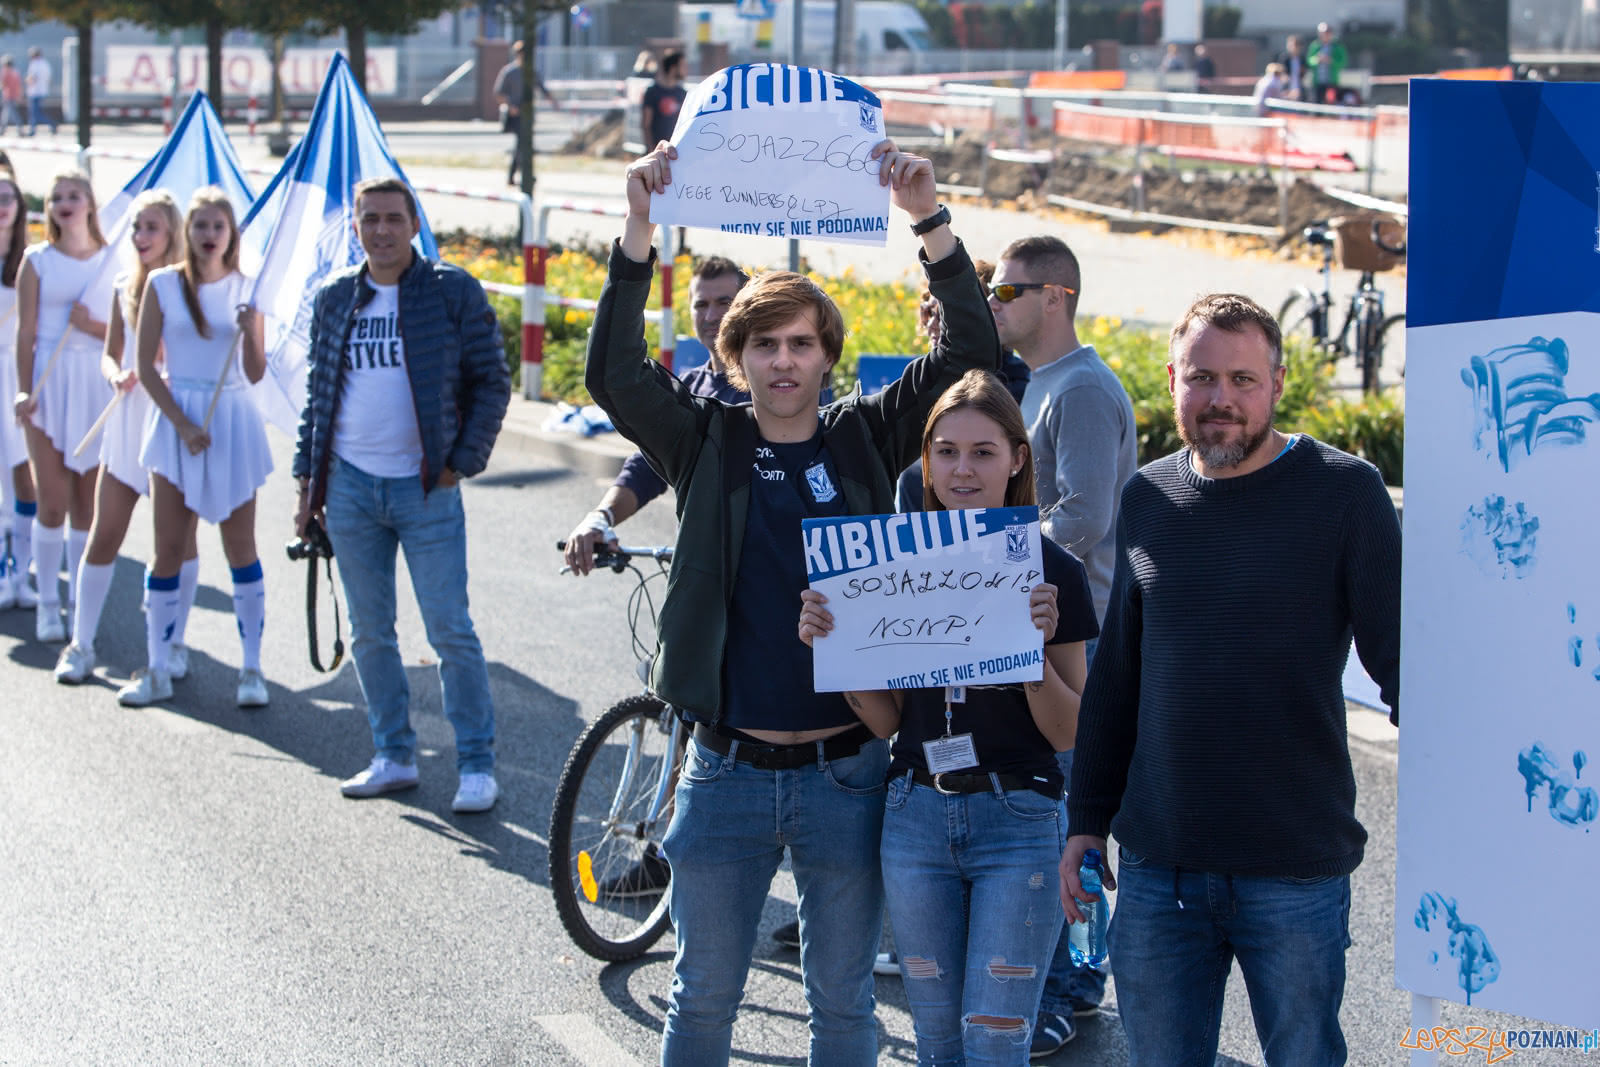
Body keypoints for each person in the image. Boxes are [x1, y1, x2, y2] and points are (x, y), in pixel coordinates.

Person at [589, 140, 1000, 1066]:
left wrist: (927, 217)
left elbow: (975, 355)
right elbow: (613, 377)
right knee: (700, 1005)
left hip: (847, 776)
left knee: (845, 1010)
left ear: (827, 356)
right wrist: (638, 227)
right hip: (725, 772)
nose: (784, 361)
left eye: (802, 343)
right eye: (764, 344)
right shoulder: (701, 438)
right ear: (733, 355)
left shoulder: (866, 435)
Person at [1061, 293, 1401, 1066]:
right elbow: (1118, 675)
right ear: (1173, 381)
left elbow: (1402, 662)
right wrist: (1086, 816)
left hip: (1295, 869)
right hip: (1158, 871)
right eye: (1202, 377)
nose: (1222, 400)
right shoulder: (1147, 494)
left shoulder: (1347, 493)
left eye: (1243, 380)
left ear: (1279, 383)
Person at [799, 369, 1097, 1064]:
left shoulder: (1056, 571)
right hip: (915, 819)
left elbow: (1068, 730)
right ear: (924, 460)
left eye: (984, 451)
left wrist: (1029, 659)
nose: (963, 468)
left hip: (1019, 822)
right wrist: (834, 647)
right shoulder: (887, 564)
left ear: (1018, 458)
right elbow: (883, 722)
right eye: (946, 451)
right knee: (935, 1044)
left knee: (994, 1044)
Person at [294, 177, 510, 813]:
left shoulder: (450, 291)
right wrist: (309, 486)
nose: (382, 229)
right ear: (355, 227)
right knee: (369, 633)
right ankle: (392, 753)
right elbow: (317, 398)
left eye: (393, 217)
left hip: (426, 488)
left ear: (414, 224)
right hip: (352, 486)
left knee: (450, 630)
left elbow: (492, 382)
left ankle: (476, 763)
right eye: (370, 219)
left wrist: (458, 465)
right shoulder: (336, 298)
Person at [987, 234, 1136, 1056]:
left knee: (1061, 820)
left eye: (1008, 291)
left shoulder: (1077, 389)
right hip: (1052, 627)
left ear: (1056, 295)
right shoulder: (1044, 384)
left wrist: (981, 567)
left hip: (1080, 638)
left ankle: (1058, 992)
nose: (997, 304)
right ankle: (1078, 982)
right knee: (1073, 816)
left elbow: (1083, 517)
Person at [115, 188, 270, 709]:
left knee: (240, 547)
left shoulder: (249, 289)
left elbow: (254, 372)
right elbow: (145, 367)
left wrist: (250, 331)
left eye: (217, 227)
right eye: (200, 225)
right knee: (168, 550)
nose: (208, 235)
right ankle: (158, 669)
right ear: (189, 231)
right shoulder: (162, 284)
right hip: (178, 423)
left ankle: (252, 670)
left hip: (232, 420)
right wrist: (181, 424)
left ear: (231, 234)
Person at [56, 190, 201, 685]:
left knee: (180, 541)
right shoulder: (122, 286)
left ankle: (173, 642)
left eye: (152, 228)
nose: (140, 237)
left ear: (172, 234)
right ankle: (81, 644)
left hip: (171, 420)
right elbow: (110, 353)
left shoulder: (190, 291)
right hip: (126, 419)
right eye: (137, 227)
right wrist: (115, 372)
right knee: (105, 533)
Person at [562, 255, 748, 576]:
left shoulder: (771, 389)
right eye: (701, 304)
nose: (712, 315)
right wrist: (601, 516)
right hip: (701, 572)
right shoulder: (688, 387)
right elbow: (647, 468)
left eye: (724, 303)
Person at [13, 170, 111, 642]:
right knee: (51, 501)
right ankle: (47, 603)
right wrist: (22, 389)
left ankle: (79, 606)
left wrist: (91, 326)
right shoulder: (37, 261)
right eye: (56, 197)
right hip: (48, 389)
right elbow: (26, 332)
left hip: (96, 384)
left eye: (74, 195)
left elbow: (128, 332)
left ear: (91, 203)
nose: (65, 203)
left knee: (85, 506)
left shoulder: (114, 260)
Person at [0, 169, 39, 611]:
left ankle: (22, 569)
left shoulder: (32, 260)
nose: (2, 205)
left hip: (18, 375)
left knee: (22, 475)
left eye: (8, 196)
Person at [494, 40, 558, 187]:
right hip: (515, 115)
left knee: (523, 144)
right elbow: (498, 93)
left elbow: (542, 88)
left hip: (528, 114)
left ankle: (517, 174)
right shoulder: (509, 72)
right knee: (522, 143)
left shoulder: (532, 72)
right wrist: (510, 106)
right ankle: (524, 174)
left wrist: (553, 102)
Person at [641, 51, 686, 150]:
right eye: (683, 66)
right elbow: (646, 124)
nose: (686, 69)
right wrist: (651, 150)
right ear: (673, 68)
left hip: (676, 153)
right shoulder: (652, 92)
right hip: (656, 153)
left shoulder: (683, 94)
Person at [1308, 22, 1348, 104]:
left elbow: (1343, 62)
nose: (1325, 35)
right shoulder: (1315, 45)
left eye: (1327, 33)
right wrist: (1317, 60)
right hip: (1318, 82)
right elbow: (1309, 60)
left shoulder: (1337, 46)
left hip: (1332, 82)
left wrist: (1331, 61)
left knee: (1331, 104)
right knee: (1316, 105)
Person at [25, 47, 54, 136]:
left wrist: (26, 81)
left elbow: (32, 78)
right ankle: (33, 129)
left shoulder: (34, 64)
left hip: (35, 92)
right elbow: (49, 78)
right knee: (35, 112)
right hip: (42, 91)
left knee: (35, 112)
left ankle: (52, 124)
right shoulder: (45, 64)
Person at [1276, 35, 1309, 100]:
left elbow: (1305, 72)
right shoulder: (1284, 58)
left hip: (1299, 87)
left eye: (1296, 45)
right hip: (1287, 87)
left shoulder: (1302, 59)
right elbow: (1281, 73)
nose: (1294, 48)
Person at [1, 56, 23, 135]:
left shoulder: (5, 72)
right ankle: (2, 129)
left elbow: (3, 84)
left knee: (13, 114)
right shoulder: (15, 72)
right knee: (6, 113)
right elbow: (19, 85)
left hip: (8, 95)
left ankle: (20, 129)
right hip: (14, 95)